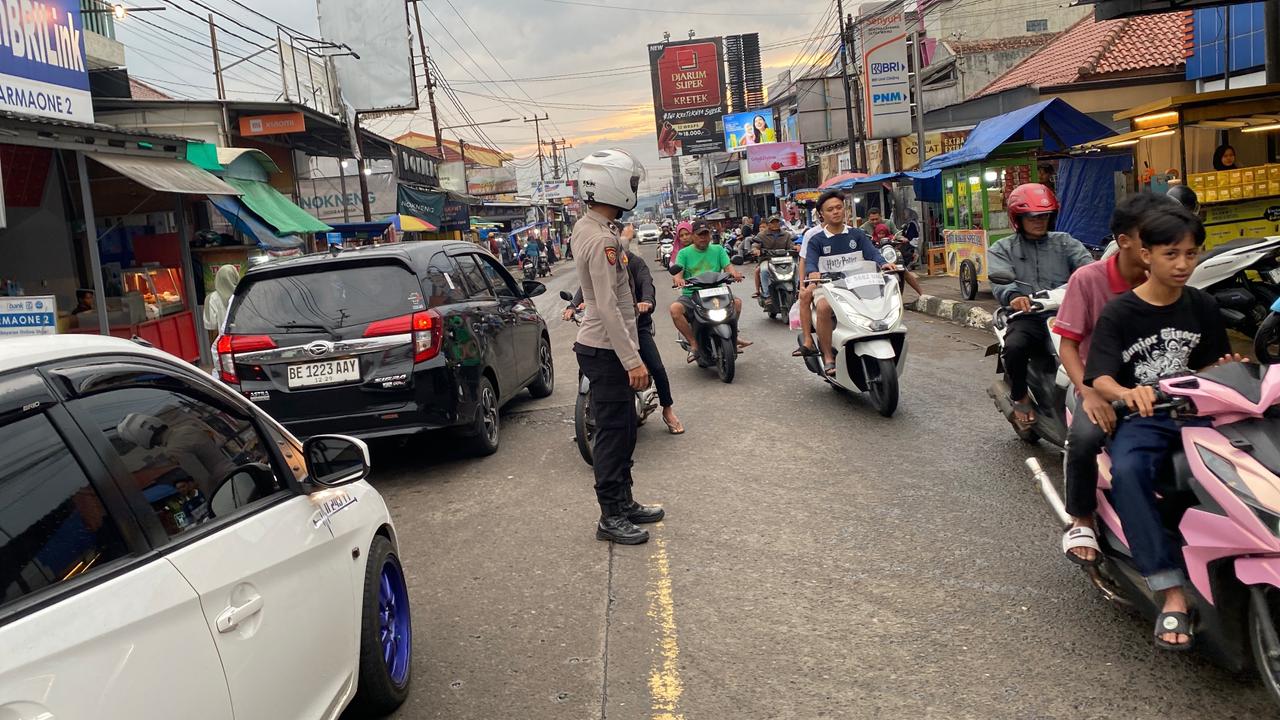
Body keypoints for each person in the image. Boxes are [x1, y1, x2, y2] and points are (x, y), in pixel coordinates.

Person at [1085, 206, 1237, 650]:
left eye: (1191, 253)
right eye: (1172, 254)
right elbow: (1100, 377)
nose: (1183, 264)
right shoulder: (1120, 312)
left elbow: (1209, 366)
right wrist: (1127, 392)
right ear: (1146, 255)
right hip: (1145, 420)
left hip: (1199, 414)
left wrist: (1226, 370)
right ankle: (1169, 588)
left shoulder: (1203, 305)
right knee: (1131, 473)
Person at [1054, 193, 1177, 565]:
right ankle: (1082, 517)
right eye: (1150, 238)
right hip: (1100, 386)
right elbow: (1068, 346)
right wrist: (1088, 393)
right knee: (1085, 439)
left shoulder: (1168, 278)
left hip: (1160, 387)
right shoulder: (1088, 280)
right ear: (1124, 241)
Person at [572, 149, 664, 545]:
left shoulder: (594, 227)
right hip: (606, 348)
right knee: (612, 434)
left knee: (626, 428)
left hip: (609, 345)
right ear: (611, 186)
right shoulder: (600, 240)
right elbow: (608, 306)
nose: (633, 190)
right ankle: (610, 516)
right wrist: (632, 360)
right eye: (629, 182)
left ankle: (624, 502)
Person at [987, 183, 1094, 427]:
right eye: (1032, 217)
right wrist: (1014, 296)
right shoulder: (1002, 248)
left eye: (1044, 216)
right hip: (1028, 316)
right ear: (1018, 218)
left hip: (1068, 313)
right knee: (1015, 347)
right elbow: (1001, 281)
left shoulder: (1065, 242)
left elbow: (1088, 269)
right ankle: (1020, 395)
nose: (1039, 221)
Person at [565, 228, 684, 435]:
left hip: (637, 325)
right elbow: (587, 287)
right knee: (587, 366)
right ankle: (588, 413)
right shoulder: (601, 260)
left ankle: (668, 409)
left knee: (656, 367)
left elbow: (647, 284)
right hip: (606, 327)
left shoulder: (635, 263)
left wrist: (646, 301)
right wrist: (572, 306)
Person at [795, 191, 893, 375]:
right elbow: (810, 261)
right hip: (828, 286)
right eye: (830, 209)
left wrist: (883, 263)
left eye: (839, 207)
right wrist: (812, 272)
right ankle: (828, 357)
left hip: (858, 283)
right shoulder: (816, 240)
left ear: (845, 210)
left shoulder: (857, 235)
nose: (836, 212)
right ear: (822, 214)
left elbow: (872, 253)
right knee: (823, 307)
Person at [669, 220, 750, 359]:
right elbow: (678, 273)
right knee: (675, 309)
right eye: (700, 235)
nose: (703, 238)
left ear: (710, 235)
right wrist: (678, 279)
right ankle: (693, 343)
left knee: (737, 303)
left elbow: (728, 267)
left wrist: (735, 274)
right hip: (692, 294)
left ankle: (733, 336)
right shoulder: (684, 253)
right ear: (693, 236)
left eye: (706, 234)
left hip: (717, 291)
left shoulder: (718, 249)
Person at [751, 214, 795, 308]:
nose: (775, 224)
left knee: (796, 267)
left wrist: (796, 247)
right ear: (768, 224)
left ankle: (797, 288)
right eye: (772, 222)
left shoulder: (786, 234)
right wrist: (756, 250)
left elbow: (791, 245)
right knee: (764, 270)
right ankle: (767, 295)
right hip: (767, 259)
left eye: (777, 222)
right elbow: (755, 245)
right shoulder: (762, 235)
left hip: (784, 259)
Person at [202, 264, 239, 334]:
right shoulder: (244, 294)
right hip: (246, 338)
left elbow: (211, 327)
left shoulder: (210, 298)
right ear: (236, 277)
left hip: (225, 339)